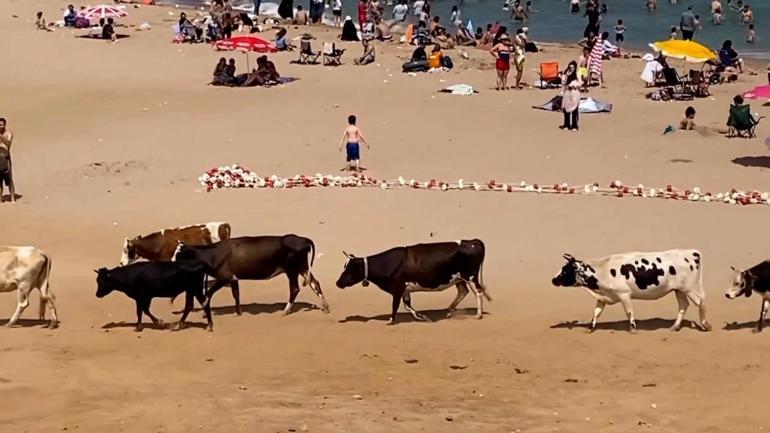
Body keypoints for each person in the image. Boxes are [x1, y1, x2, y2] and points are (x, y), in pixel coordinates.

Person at [561, 61, 581, 131]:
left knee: (574, 108)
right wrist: (566, 76)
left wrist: (575, 85)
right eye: (570, 67)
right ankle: (566, 124)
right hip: (567, 91)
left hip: (575, 92)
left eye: (572, 67)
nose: (571, 68)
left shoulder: (577, 74)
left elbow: (580, 83)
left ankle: (574, 125)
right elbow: (563, 83)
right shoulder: (566, 74)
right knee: (566, 108)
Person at [0, 118, 15, 203]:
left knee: (9, 179)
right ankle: (0, 199)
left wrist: (2, 137)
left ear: (4, 125)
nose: (0, 127)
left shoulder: (8, 134)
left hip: (6, 159)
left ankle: (12, 198)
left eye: (1, 125)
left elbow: (8, 144)